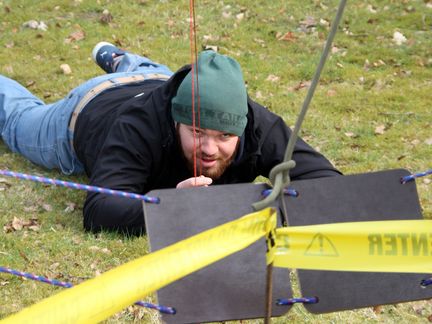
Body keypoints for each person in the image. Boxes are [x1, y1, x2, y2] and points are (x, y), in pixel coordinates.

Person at [0, 42, 341, 234]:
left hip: (158, 78)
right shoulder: (138, 128)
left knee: (153, 74)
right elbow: (100, 211)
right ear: (176, 122)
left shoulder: (256, 124)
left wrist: (263, 206)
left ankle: (123, 60)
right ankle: (120, 66)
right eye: (196, 132)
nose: (209, 148)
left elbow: (327, 181)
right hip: (85, 110)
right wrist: (167, 207)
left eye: (224, 136)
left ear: (241, 125)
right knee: (17, 117)